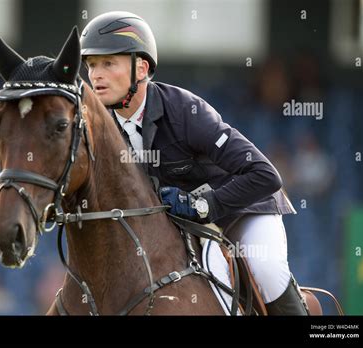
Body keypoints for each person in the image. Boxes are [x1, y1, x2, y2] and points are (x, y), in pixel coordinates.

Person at [80, 11, 308, 315]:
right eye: (92, 65)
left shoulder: (185, 111)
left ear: (141, 68)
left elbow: (265, 175)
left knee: (267, 270)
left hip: (243, 212)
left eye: (108, 63)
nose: (96, 75)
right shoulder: (98, 127)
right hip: (182, 226)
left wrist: (204, 205)